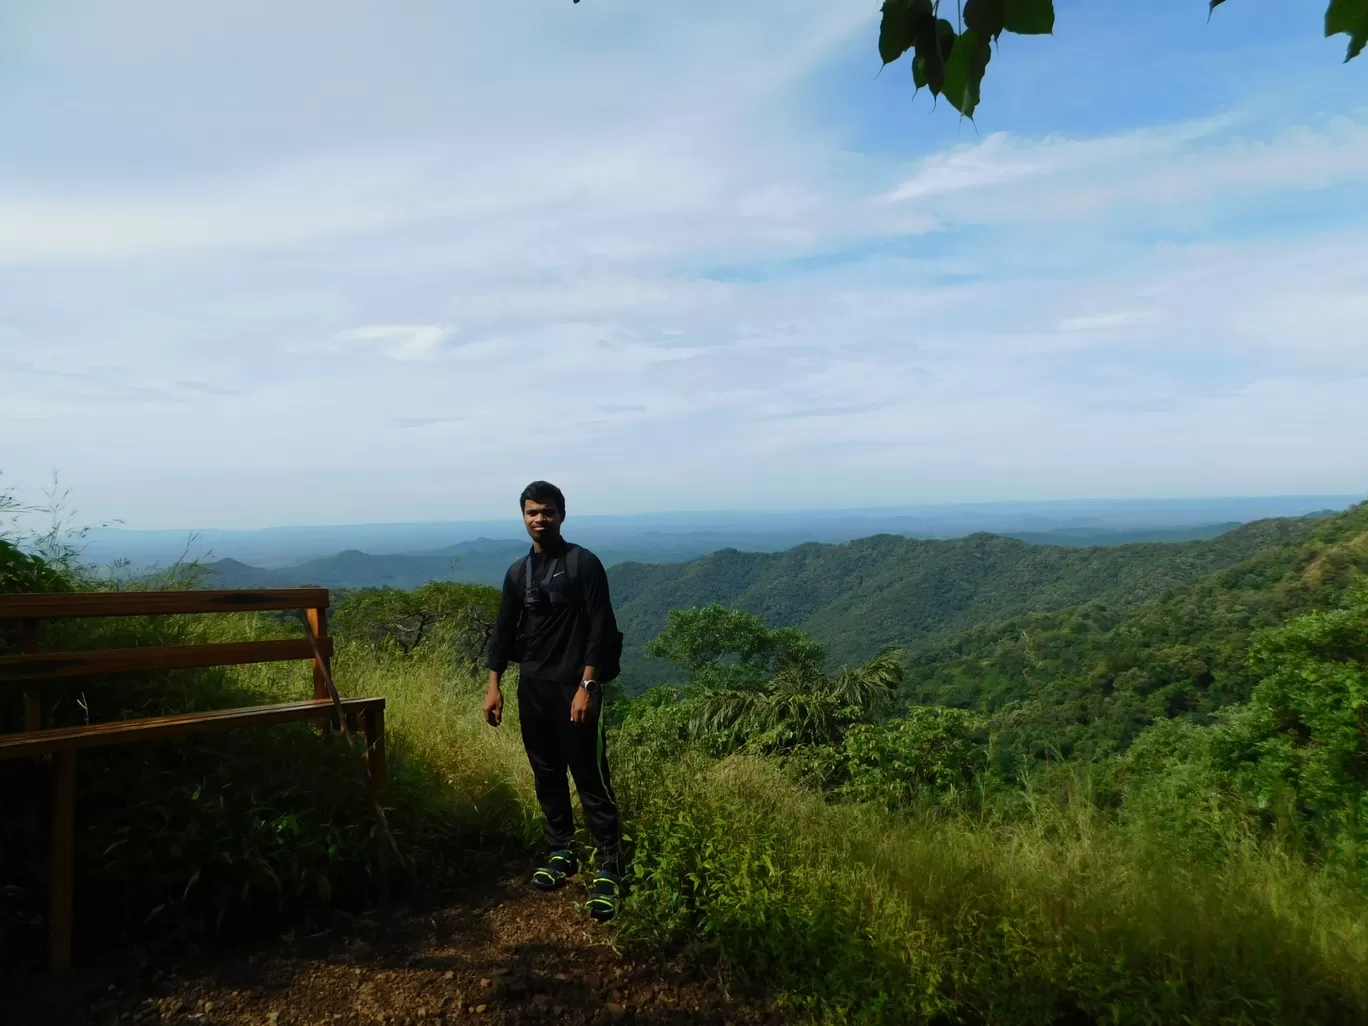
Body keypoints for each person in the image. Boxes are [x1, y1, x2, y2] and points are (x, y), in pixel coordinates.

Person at [483, 480, 625, 922]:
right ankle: (561, 850)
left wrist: (587, 686)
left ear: (562, 514)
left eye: (546, 511)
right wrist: (494, 686)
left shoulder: (584, 564)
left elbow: (602, 629)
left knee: (589, 777)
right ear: (523, 517)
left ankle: (610, 867)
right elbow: (502, 633)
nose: (539, 519)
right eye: (531, 512)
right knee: (546, 774)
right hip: (533, 688)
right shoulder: (517, 573)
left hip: (574, 689)